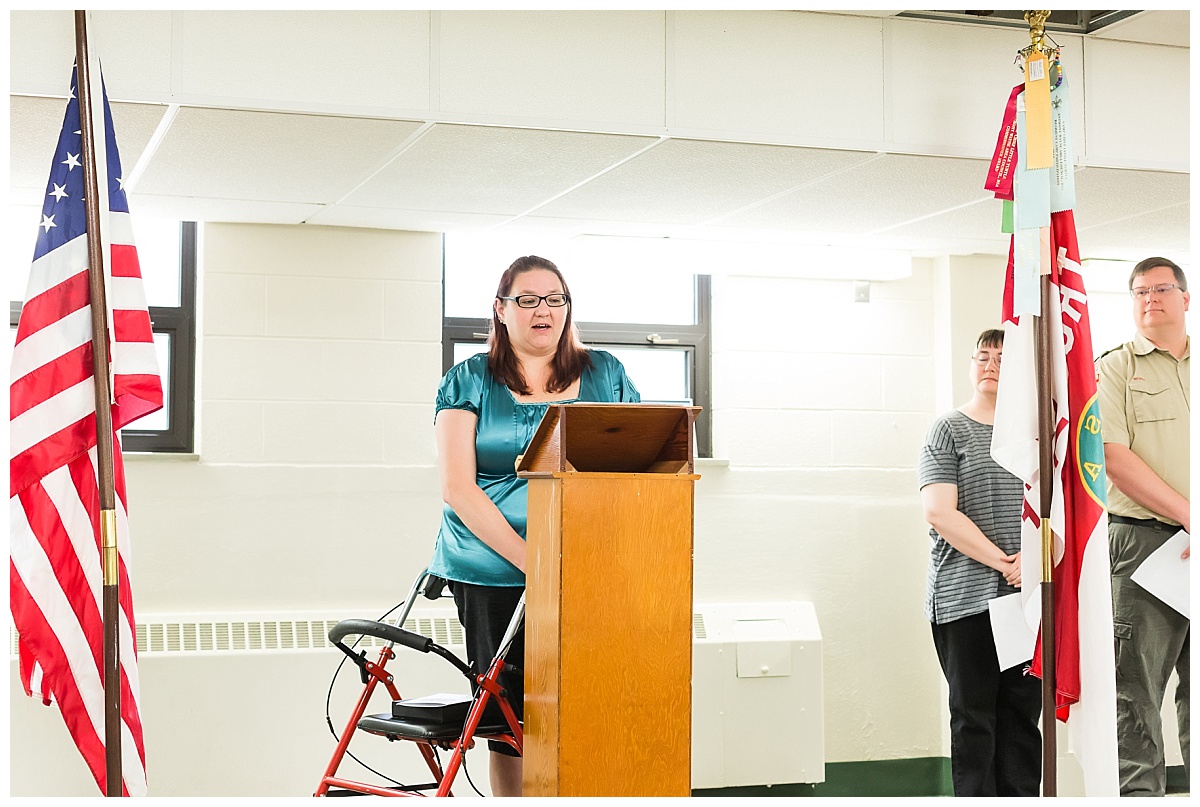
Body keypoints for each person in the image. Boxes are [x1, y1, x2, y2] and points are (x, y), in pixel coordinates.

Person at [427, 255, 640, 796]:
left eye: (555, 299)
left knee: (588, 701)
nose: (543, 310)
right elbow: (458, 487)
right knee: (513, 716)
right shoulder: (469, 378)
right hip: (491, 567)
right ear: (501, 311)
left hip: (589, 565)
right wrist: (534, 562)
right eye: (527, 300)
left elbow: (639, 457)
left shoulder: (605, 373)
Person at [917, 328, 1041, 797]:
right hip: (965, 600)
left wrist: (1031, 562)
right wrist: (1006, 562)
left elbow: (1062, 508)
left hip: (1025, 600)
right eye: (982, 356)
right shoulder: (949, 428)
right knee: (975, 721)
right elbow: (939, 511)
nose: (990, 365)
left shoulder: (1037, 432)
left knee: (1022, 718)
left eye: (1002, 358)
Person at [1095, 256, 1190, 797]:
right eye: (1138, 292)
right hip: (1144, 544)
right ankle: (1139, 796)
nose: (1149, 298)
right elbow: (1113, 455)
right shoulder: (1113, 368)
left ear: (1185, 298)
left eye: (1160, 289)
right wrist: (1188, 514)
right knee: (1136, 691)